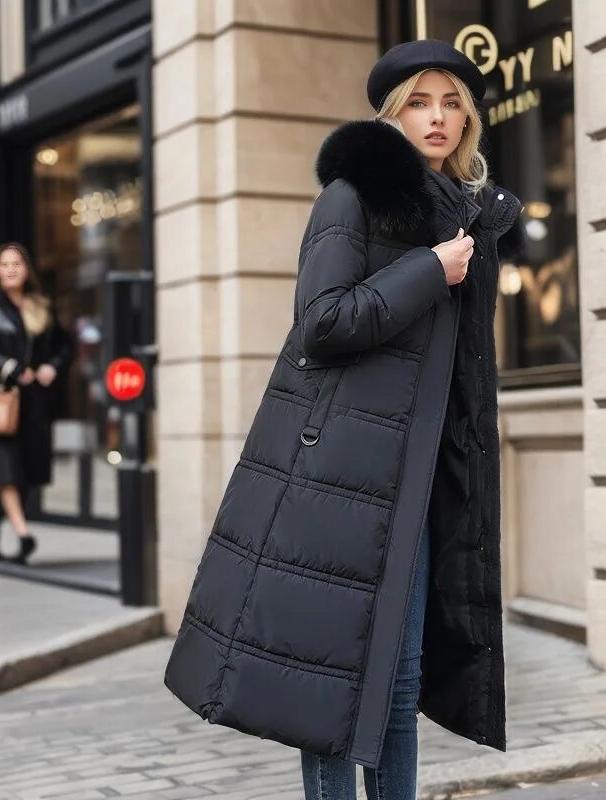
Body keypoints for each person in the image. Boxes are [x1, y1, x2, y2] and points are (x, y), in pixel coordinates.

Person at [163, 39, 525, 800]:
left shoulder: (467, 217)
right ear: (392, 113)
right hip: (343, 476)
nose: (439, 117)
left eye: (453, 101)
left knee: (398, 685)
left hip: (422, 480)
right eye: (420, 102)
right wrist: (429, 268)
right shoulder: (353, 197)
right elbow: (322, 323)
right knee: (328, 690)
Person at [0, 242, 74, 565]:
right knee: (7, 469)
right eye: (4, 264)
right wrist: (11, 368)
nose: (10, 269)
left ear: (27, 269)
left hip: (34, 404)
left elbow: (65, 345)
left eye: (16, 263)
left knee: (27, 471)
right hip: (0, 401)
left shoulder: (41, 306)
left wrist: (51, 367)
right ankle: (24, 534)